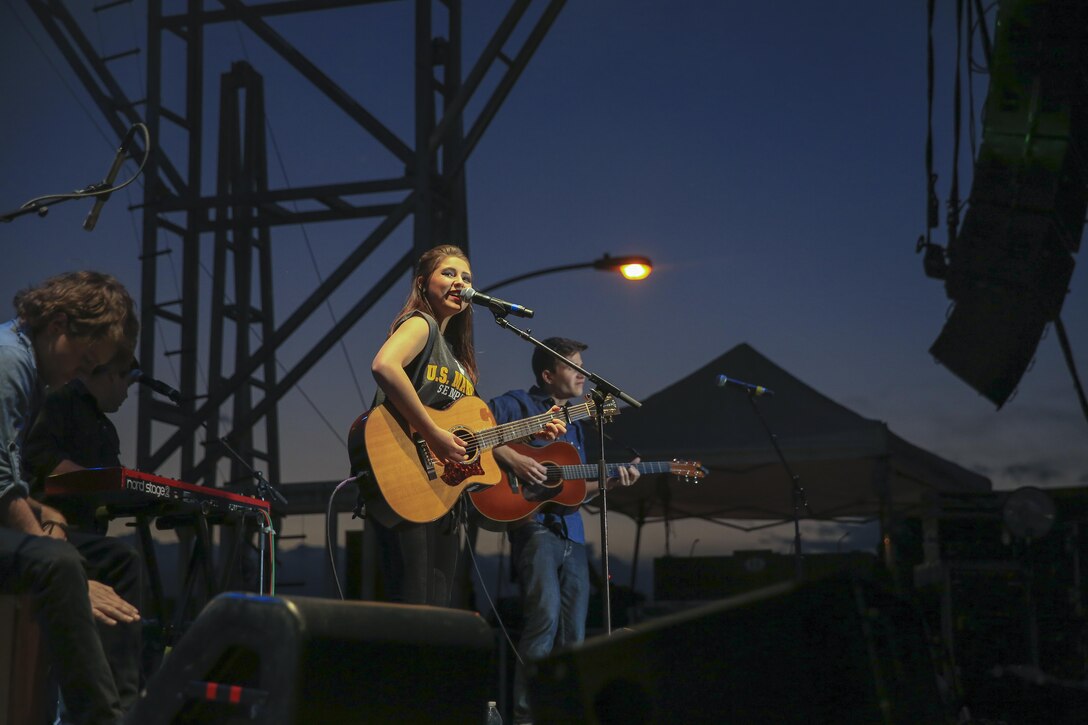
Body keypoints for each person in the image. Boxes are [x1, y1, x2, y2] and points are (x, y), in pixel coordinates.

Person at [366, 244, 565, 607]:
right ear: (424, 283)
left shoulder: (458, 359)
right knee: (412, 604)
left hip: (443, 490)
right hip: (406, 469)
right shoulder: (420, 324)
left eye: (466, 277)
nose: (460, 282)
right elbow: (385, 366)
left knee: (438, 606)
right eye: (449, 273)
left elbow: (471, 433)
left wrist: (530, 431)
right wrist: (433, 434)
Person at [0, 271, 140, 725]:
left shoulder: (31, 370)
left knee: (116, 560)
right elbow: (1, 485)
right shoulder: (9, 363)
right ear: (59, 324)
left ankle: (122, 702)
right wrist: (50, 547)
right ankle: (100, 718)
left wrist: (47, 514)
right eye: (82, 360)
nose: (81, 373)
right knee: (62, 565)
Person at [489, 337, 640, 725]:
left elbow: (573, 488)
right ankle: (525, 718)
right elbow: (478, 433)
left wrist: (611, 482)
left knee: (573, 632)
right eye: (575, 368)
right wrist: (519, 460)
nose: (583, 377)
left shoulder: (576, 422)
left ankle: (567, 714)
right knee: (544, 620)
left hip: (572, 533)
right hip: (534, 527)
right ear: (548, 374)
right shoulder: (517, 403)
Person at [24, 353, 145, 709]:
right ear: (108, 375)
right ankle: (120, 701)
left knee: (122, 556)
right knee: (122, 560)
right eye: (126, 381)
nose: (126, 394)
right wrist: (97, 480)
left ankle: (119, 684)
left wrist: (136, 490)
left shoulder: (105, 427)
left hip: (87, 532)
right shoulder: (61, 402)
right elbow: (40, 458)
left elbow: (112, 486)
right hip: (46, 528)